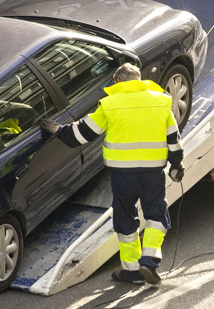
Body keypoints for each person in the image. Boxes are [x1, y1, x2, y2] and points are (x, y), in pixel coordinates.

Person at [41, 63, 184, 286]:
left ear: (117, 82)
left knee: (126, 218)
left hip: (122, 175)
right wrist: (177, 165)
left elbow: (81, 134)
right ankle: (150, 259)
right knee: (156, 215)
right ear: (138, 79)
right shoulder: (160, 101)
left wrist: (58, 130)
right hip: (152, 174)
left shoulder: (109, 105)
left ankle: (132, 271)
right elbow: (174, 139)